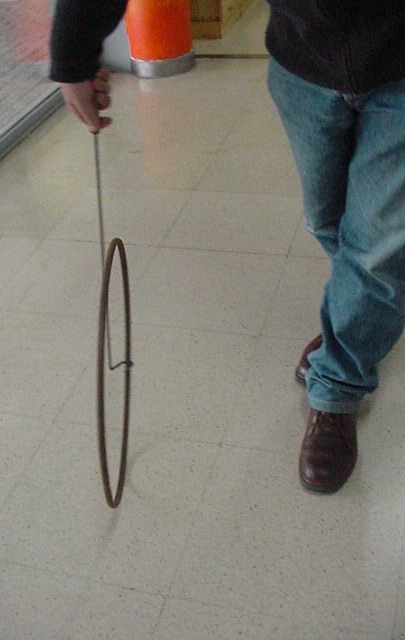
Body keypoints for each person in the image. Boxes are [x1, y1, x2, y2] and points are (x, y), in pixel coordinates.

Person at [50, 1, 405, 493]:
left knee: (374, 246)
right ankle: (357, 320)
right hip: (304, 58)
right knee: (329, 220)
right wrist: (73, 54)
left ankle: (338, 385)